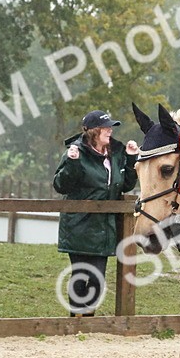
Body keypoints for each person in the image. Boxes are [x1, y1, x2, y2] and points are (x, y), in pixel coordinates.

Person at [53, 110, 139, 317]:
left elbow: (125, 185)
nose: (110, 130)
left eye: (110, 126)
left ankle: (86, 318)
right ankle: (78, 318)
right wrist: (72, 164)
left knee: (97, 279)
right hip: (79, 226)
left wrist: (130, 159)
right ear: (93, 131)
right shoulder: (76, 152)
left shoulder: (115, 153)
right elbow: (61, 185)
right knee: (81, 275)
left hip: (104, 228)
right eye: (105, 127)